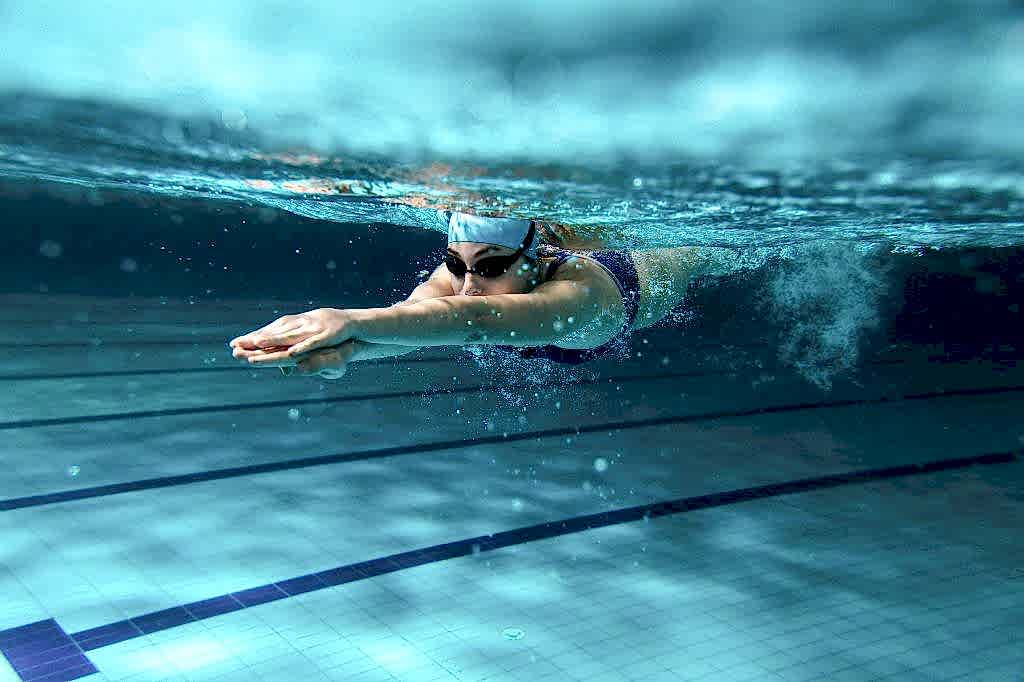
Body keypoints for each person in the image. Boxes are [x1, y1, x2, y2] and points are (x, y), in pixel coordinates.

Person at [229, 210, 718, 378]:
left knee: (705, 254)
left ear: (537, 258)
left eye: (490, 267)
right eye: (456, 265)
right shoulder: (464, 282)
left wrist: (349, 320)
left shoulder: (580, 297)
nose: (466, 285)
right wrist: (346, 354)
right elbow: (412, 323)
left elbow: (476, 321)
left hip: (654, 271)